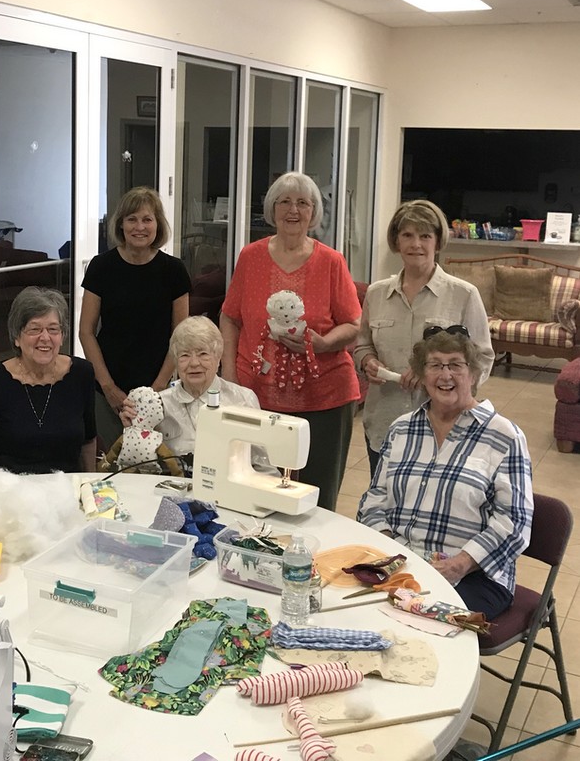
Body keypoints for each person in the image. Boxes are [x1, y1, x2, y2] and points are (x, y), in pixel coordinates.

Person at [357, 328, 533, 621]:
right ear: (421, 375)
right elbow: (374, 501)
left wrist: (461, 564)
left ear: (474, 374)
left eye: (455, 364)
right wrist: (392, 553)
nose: (445, 374)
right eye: (435, 365)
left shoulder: (504, 436)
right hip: (401, 562)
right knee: (345, 605)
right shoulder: (402, 429)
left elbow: (514, 523)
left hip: (473, 574)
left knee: (411, 622)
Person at [219, 172, 361, 511]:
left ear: (314, 212)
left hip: (325, 398)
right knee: (256, 493)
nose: (293, 210)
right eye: (285, 201)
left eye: (303, 203)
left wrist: (323, 342)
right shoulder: (251, 257)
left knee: (317, 497)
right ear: (272, 209)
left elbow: (354, 324)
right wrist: (229, 378)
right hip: (255, 396)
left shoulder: (331, 261)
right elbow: (229, 316)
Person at [353, 200, 494, 479]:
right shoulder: (377, 294)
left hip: (444, 428)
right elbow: (362, 344)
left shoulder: (463, 294)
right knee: (385, 507)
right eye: (407, 235)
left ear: (438, 242)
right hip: (384, 424)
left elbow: (483, 358)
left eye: (425, 236)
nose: (415, 244)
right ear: (396, 241)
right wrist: (367, 361)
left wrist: (441, 379)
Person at [80, 186, 191, 450]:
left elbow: (181, 337)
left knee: (157, 463)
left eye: (147, 219)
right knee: (112, 461)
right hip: (107, 389)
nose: (139, 227)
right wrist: (108, 387)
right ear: (120, 225)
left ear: (157, 225)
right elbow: (86, 331)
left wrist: (157, 389)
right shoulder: (101, 267)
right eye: (131, 219)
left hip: (162, 389)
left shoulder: (174, 271)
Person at [0, 287, 96, 474]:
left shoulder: (81, 373)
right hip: (11, 492)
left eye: (53, 329)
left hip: (67, 490)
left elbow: (89, 441)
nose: (45, 338)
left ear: (62, 336)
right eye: (34, 329)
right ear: (17, 337)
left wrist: (89, 486)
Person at [118, 316, 272, 467]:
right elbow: (141, 466)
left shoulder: (243, 400)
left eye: (203, 354)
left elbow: (263, 467)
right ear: (176, 361)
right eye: (184, 355)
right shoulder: (158, 405)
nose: (194, 363)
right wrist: (133, 429)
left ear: (218, 357)